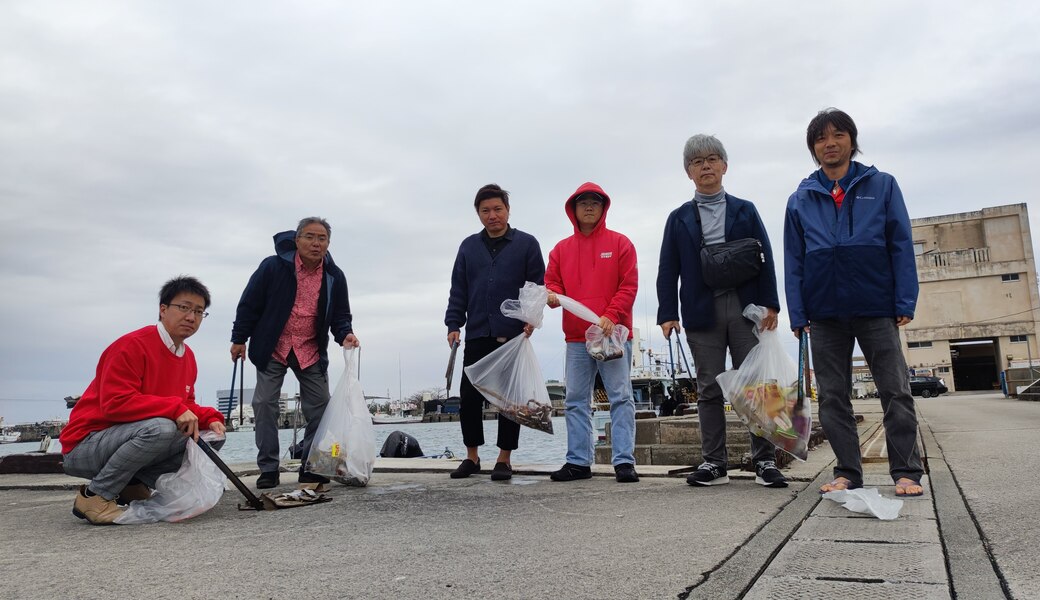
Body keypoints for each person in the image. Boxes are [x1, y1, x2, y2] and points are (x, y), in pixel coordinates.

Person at [784, 108, 924, 496]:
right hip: (824, 311)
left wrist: (904, 299)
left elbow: (900, 244)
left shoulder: (882, 185)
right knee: (832, 396)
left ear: (851, 140)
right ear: (813, 148)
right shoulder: (799, 199)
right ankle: (847, 471)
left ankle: (906, 472)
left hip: (875, 304)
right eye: (821, 138)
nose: (830, 143)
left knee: (895, 390)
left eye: (838, 135)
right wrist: (798, 312)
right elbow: (794, 260)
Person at [657, 134, 788, 488]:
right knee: (709, 388)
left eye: (712, 159)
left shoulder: (746, 209)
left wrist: (771, 304)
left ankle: (765, 461)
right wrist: (667, 313)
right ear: (688, 172)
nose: (706, 166)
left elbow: (765, 256)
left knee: (759, 386)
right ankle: (715, 463)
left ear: (725, 166)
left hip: (747, 307)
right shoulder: (678, 218)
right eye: (697, 162)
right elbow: (668, 268)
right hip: (701, 309)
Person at [60, 276, 226, 525]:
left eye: (199, 311)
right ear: (163, 309)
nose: (191, 317)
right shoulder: (132, 345)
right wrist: (175, 408)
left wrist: (209, 417)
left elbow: (186, 404)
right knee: (161, 428)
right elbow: (115, 403)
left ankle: (132, 485)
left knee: (209, 437)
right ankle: (95, 497)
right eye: (184, 307)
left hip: (125, 441)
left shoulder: (187, 356)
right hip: (85, 444)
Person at [231, 217, 359, 489]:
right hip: (273, 346)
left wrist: (345, 334)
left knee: (321, 407)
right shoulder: (273, 266)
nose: (315, 243)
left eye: (322, 238)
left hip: (310, 348)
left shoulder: (334, 276)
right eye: (309, 237)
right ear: (297, 240)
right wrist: (239, 338)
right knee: (264, 404)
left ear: (328, 243)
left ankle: (310, 466)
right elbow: (249, 303)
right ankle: (268, 468)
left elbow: (340, 315)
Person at [445, 184, 545, 481]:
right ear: (478, 214)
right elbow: (458, 289)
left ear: (508, 210)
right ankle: (472, 456)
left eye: (497, 209)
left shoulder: (527, 244)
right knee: (469, 397)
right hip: (477, 332)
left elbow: (536, 287)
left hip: (511, 335)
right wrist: (453, 324)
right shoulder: (468, 247)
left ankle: (504, 458)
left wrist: (532, 319)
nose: (492, 215)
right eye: (485, 210)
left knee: (509, 400)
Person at [545, 182, 639, 483]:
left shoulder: (621, 243)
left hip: (613, 334)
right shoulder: (560, 249)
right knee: (575, 400)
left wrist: (611, 314)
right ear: (573, 209)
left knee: (621, 397)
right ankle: (578, 462)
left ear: (603, 208)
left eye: (595, 202)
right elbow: (552, 282)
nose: (588, 207)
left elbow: (629, 285)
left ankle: (624, 461)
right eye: (582, 202)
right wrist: (551, 295)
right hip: (576, 337)